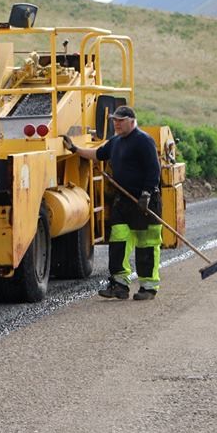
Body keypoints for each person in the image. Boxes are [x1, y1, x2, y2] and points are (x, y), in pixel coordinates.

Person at [63, 105, 162, 300]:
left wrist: (146, 194)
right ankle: (119, 285)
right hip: (123, 201)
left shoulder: (144, 141)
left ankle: (148, 288)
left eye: (120, 120)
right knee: (118, 240)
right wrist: (74, 149)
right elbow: (98, 154)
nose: (116, 124)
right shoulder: (115, 142)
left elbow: (153, 170)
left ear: (132, 121)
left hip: (144, 202)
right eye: (114, 120)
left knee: (146, 245)